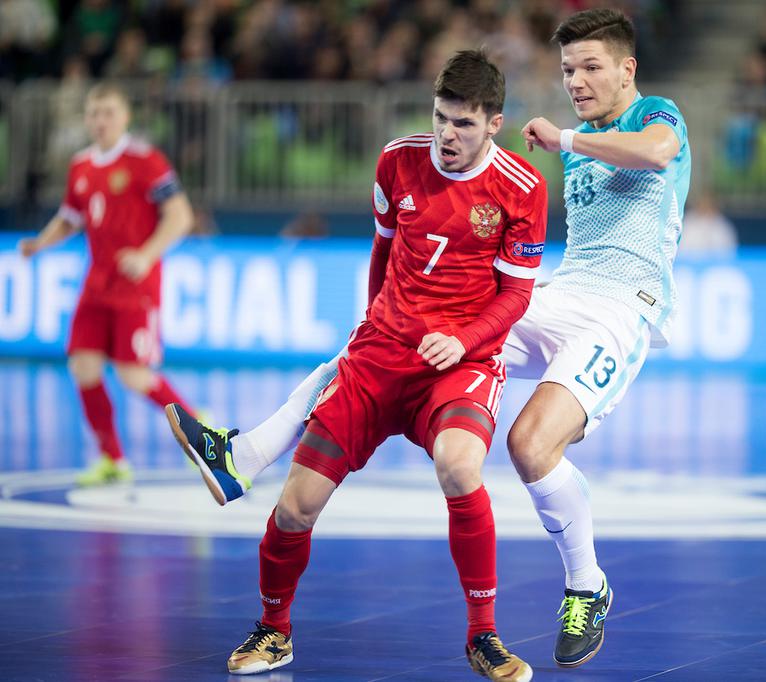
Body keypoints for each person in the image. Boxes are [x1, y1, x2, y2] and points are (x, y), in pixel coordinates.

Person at [166, 7, 690, 671]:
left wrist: (566, 140)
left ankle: (586, 586)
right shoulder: (547, 140)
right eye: (566, 69)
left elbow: (658, 155)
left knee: (530, 444)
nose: (576, 80)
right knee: (395, 333)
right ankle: (245, 452)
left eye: (590, 67)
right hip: (564, 295)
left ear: (627, 69)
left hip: (624, 308)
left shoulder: (655, 116)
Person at [167, 50, 545, 679]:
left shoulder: (523, 189)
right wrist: (374, 325)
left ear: (495, 123)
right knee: (295, 507)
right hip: (382, 356)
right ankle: (273, 630)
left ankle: (485, 635)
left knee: (459, 467)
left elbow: (517, 293)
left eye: (464, 125)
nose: (448, 136)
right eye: (441, 118)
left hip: (461, 362)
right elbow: (382, 250)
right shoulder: (397, 161)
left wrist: (464, 339)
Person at [19, 82, 196, 486]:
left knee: (134, 375)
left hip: (136, 285)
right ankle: (112, 458)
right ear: (86, 118)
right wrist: (40, 243)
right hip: (96, 283)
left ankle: (200, 432)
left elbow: (180, 216)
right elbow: (71, 216)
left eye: (109, 113)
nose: (101, 122)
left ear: (125, 116)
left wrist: (146, 255)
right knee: (82, 366)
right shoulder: (81, 165)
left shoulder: (145, 160)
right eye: (94, 114)